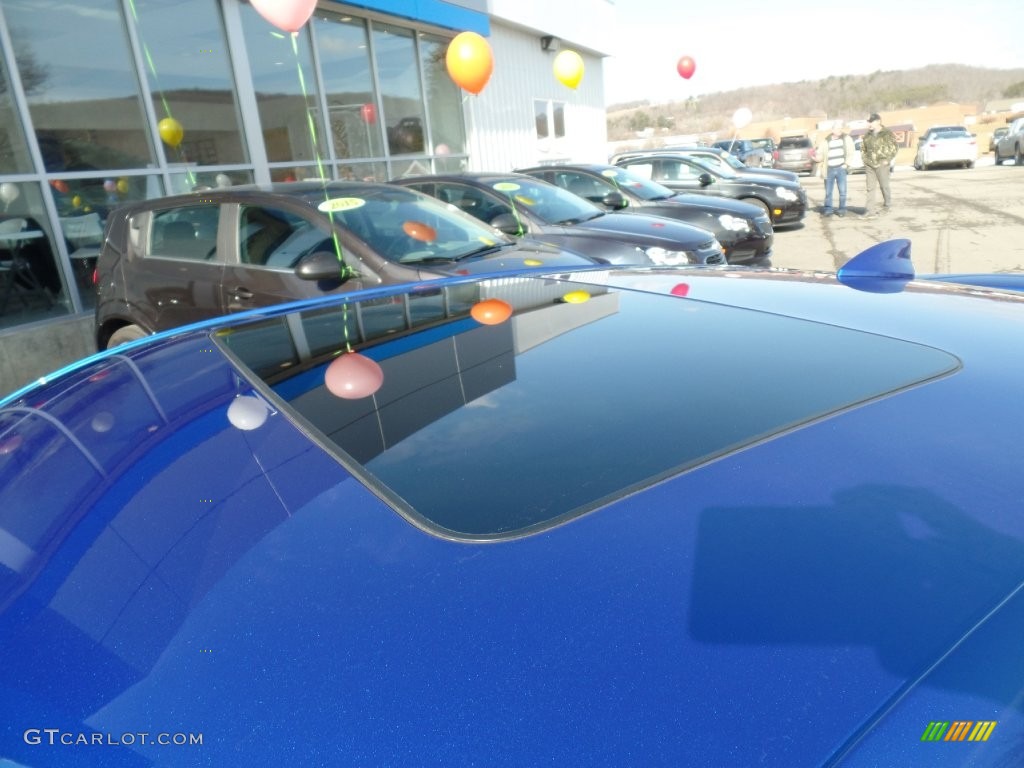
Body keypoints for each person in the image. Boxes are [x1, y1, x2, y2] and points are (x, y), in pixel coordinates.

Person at [860, 113, 899, 218]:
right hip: (870, 165)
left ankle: (887, 205)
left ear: (878, 121)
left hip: (882, 164)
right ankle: (870, 211)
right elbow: (863, 149)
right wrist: (865, 160)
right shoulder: (867, 135)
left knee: (884, 186)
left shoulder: (887, 133)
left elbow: (894, 147)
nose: (869, 124)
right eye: (868, 122)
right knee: (870, 188)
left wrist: (887, 160)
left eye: (871, 121)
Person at [816, 120, 855, 217]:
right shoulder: (826, 141)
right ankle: (828, 209)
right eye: (837, 128)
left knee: (842, 191)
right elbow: (820, 154)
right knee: (828, 192)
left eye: (840, 128)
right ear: (832, 130)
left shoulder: (846, 139)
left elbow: (851, 151)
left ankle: (842, 209)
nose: (840, 130)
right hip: (829, 169)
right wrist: (817, 158)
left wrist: (846, 164)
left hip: (841, 168)